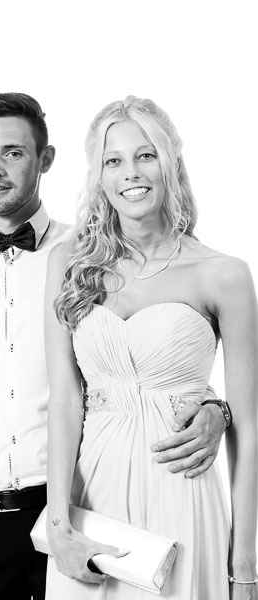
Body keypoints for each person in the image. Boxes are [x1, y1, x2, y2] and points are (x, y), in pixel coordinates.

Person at [0, 92, 230, 600]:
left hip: (83, 501)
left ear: (46, 159)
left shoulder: (87, 257)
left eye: (13, 152)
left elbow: (141, 357)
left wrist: (215, 405)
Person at [44, 96, 257, 599]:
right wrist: (58, 527)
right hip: (91, 498)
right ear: (98, 176)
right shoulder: (68, 263)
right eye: (113, 161)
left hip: (182, 490)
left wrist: (245, 566)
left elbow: (249, 426)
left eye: (146, 155)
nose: (131, 173)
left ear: (171, 163)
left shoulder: (223, 274)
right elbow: (64, 400)